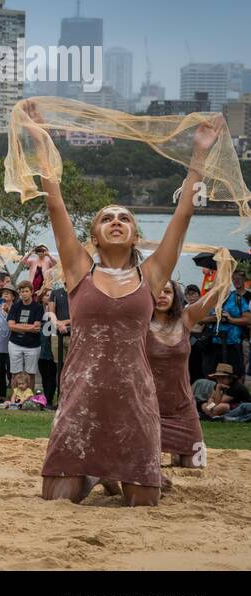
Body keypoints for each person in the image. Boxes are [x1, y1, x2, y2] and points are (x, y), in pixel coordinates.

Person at [33, 102, 216, 506]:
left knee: (143, 502)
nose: (116, 221)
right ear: (94, 236)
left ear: (135, 235)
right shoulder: (79, 270)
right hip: (83, 395)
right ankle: (96, 475)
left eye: (125, 218)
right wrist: (40, 138)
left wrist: (199, 155)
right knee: (55, 496)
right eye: (106, 218)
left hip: (134, 397)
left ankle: (118, 477)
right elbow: (55, 205)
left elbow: (182, 215)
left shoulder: (149, 276)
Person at [148, 279, 220, 469]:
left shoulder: (186, 318)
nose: (162, 295)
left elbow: (215, 296)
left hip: (183, 409)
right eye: (158, 291)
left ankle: (178, 456)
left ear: (175, 297)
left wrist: (222, 270)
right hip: (148, 410)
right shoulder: (139, 326)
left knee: (197, 466)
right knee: (149, 469)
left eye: (168, 291)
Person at [200, 271, 251, 381]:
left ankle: (233, 395)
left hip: (233, 344)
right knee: (212, 374)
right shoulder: (210, 300)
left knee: (235, 375)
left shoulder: (237, 299)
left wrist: (230, 319)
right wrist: (215, 318)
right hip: (213, 344)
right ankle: (214, 396)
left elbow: (248, 320)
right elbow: (199, 319)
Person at [6, 281, 43, 401]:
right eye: (21, 291)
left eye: (26, 291)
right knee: (15, 374)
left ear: (31, 292)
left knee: (30, 374)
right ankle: (14, 400)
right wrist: (29, 327)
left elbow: (37, 328)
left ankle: (29, 400)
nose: (24, 294)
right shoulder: (16, 306)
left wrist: (18, 326)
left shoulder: (38, 307)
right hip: (15, 344)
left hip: (32, 345)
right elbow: (10, 325)